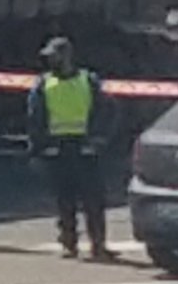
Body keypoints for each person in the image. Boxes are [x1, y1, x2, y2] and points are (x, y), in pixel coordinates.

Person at [27, 36, 113, 260]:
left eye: (53, 56)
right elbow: (35, 118)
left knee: (93, 200)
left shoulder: (88, 80)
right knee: (65, 200)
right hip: (58, 148)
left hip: (85, 147)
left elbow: (105, 111)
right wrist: (39, 146)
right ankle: (69, 243)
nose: (49, 61)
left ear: (66, 56)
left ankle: (98, 245)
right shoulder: (43, 83)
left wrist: (99, 139)